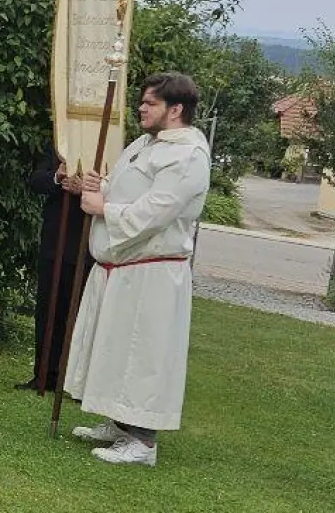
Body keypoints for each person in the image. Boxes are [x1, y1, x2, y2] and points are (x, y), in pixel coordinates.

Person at [66, 72, 211, 467]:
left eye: (150, 104)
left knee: (143, 354)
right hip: (123, 267)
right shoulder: (146, 144)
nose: (141, 109)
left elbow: (156, 212)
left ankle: (144, 442)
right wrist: (100, 186)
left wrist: (104, 209)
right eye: (142, 102)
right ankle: (120, 424)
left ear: (176, 109)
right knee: (115, 348)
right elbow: (125, 187)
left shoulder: (187, 157)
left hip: (152, 273)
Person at [17, 145, 90, 392]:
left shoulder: (108, 146)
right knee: (48, 311)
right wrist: (58, 176)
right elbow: (37, 180)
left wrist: (84, 190)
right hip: (54, 242)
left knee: (81, 314)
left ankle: (75, 382)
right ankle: (44, 374)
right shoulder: (61, 146)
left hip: (86, 244)